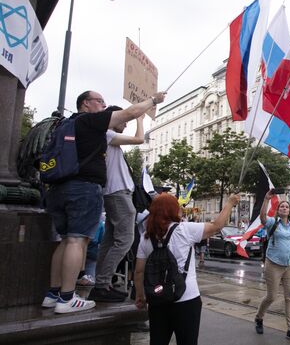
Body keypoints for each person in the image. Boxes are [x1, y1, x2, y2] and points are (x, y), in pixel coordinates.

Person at [42, 90, 166, 314]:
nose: (104, 106)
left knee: (66, 240)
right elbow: (129, 114)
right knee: (77, 241)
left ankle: (53, 294)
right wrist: (153, 100)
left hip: (60, 186)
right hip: (83, 187)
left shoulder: (67, 125)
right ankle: (67, 298)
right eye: (100, 101)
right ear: (85, 104)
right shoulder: (91, 122)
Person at [134, 193, 240, 345]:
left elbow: (139, 272)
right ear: (172, 210)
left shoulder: (146, 237)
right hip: (187, 299)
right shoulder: (184, 230)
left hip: (157, 300)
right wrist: (229, 203)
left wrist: (140, 296)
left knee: (158, 341)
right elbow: (217, 226)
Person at [88, 106, 145, 302]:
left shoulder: (109, 138)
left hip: (115, 192)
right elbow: (139, 139)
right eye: (123, 119)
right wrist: (140, 119)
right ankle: (102, 283)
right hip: (117, 193)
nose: (126, 122)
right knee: (125, 241)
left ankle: (101, 283)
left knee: (110, 240)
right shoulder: (107, 134)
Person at [254, 190, 290, 342]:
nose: (284, 208)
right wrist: (266, 199)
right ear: (278, 211)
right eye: (282, 206)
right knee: (271, 296)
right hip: (273, 264)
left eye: (287, 207)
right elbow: (262, 217)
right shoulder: (273, 222)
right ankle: (259, 317)